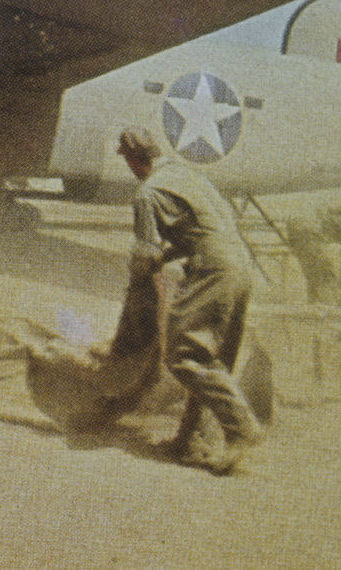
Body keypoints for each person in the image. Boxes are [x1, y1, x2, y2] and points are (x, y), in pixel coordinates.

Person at [98, 127, 264, 474]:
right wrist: (167, 257)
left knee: (184, 356)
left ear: (133, 158)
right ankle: (193, 441)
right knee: (216, 358)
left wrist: (140, 281)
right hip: (241, 264)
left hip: (212, 268)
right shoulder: (184, 173)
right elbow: (204, 228)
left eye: (126, 159)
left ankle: (243, 429)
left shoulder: (147, 193)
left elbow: (144, 254)